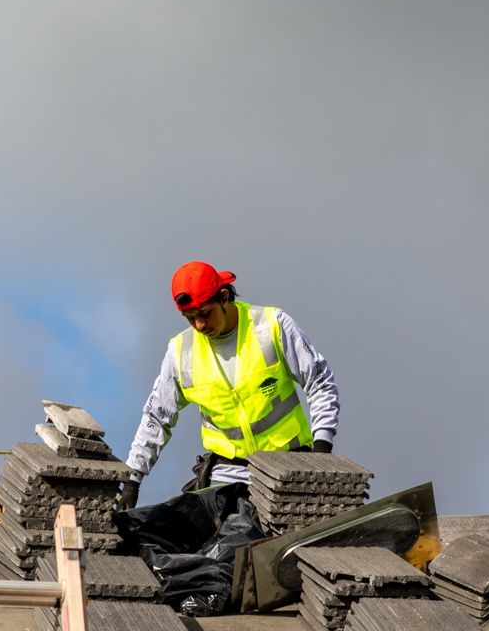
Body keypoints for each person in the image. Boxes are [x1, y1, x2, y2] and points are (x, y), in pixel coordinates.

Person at [117, 261, 340, 612]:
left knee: (230, 553)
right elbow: (157, 418)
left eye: (205, 314)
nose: (200, 325)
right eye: (191, 319)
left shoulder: (272, 328)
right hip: (224, 480)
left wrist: (321, 453)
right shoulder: (181, 352)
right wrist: (131, 479)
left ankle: (196, 588)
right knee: (145, 529)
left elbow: (321, 383)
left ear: (224, 297)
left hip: (283, 481)